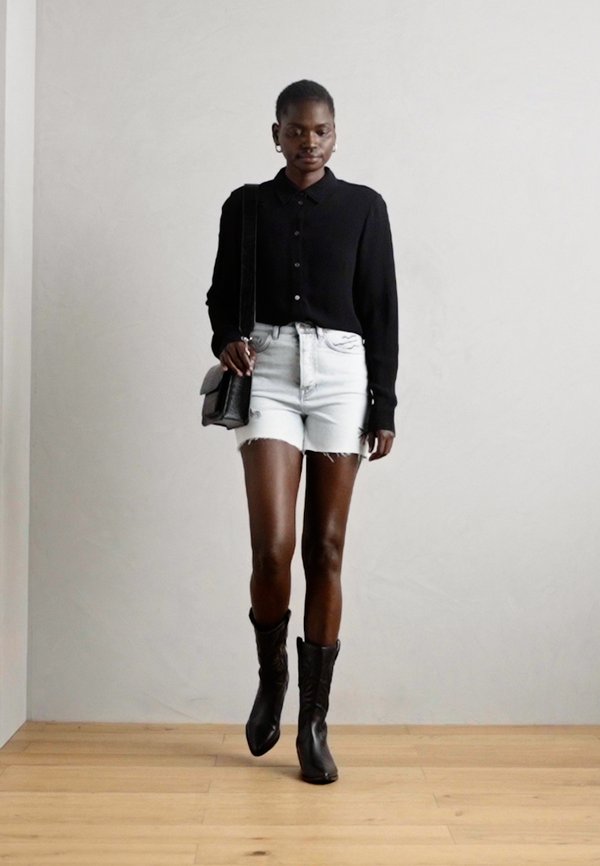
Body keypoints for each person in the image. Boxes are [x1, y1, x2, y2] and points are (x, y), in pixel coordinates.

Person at [206, 80, 398, 784]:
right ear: (276, 133)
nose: (308, 142)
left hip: (343, 374)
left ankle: (314, 720)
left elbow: (381, 307)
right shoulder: (246, 205)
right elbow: (221, 293)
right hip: (270, 371)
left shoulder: (365, 207)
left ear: (335, 134)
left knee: (326, 547)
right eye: (295, 130)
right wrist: (227, 336)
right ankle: (272, 679)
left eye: (321, 131)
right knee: (273, 547)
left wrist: (384, 404)